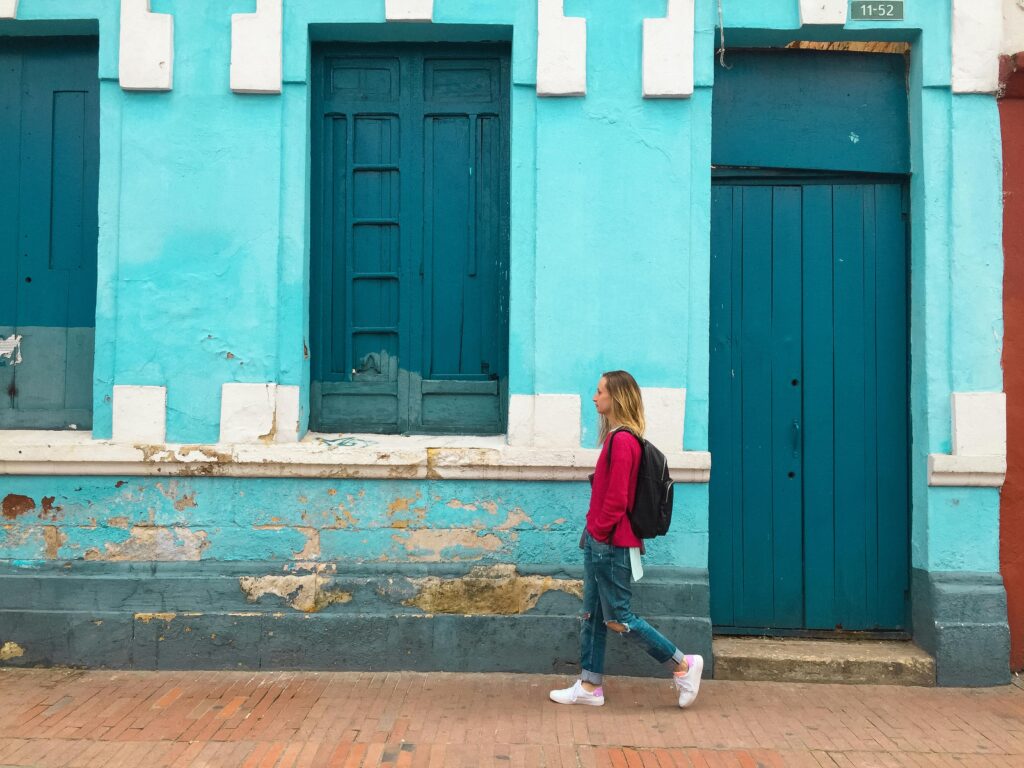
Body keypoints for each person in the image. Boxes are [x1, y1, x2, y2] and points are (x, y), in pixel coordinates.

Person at [549, 370, 704, 708]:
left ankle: (682, 664)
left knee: (619, 618)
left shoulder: (622, 441)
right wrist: (594, 533)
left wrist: (599, 532)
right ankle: (590, 686)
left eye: (600, 391)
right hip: (602, 540)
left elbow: (618, 500)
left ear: (615, 397)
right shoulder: (620, 438)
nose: (594, 397)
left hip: (610, 543)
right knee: (592, 616)